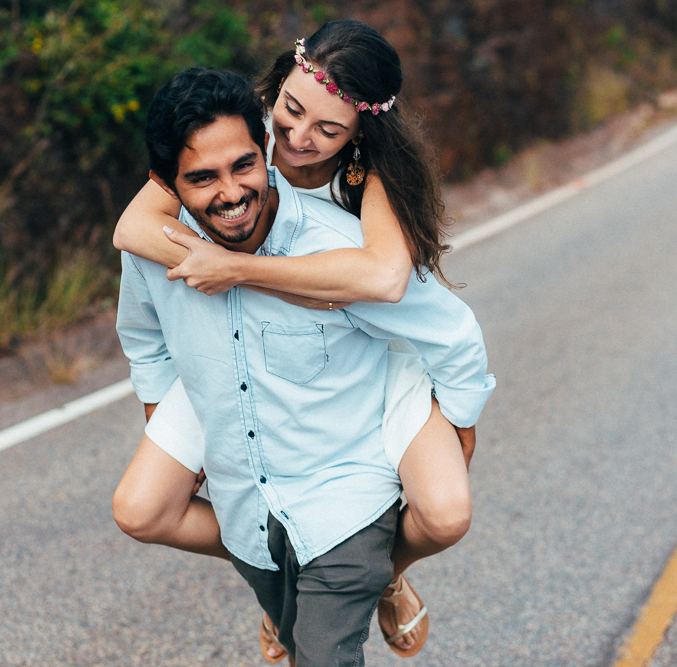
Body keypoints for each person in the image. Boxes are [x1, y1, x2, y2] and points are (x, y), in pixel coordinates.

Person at [113, 20, 479, 658]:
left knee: (445, 510)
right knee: (140, 508)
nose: (297, 137)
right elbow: (134, 231)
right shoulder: (227, 132)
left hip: (354, 342)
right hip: (221, 349)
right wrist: (186, 253)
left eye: (328, 130)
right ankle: (297, 576)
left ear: (358, 134)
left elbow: (387, 280)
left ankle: (371, 574)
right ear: (277, 88)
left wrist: (239, 270)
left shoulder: (367, 182)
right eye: (288, 112)